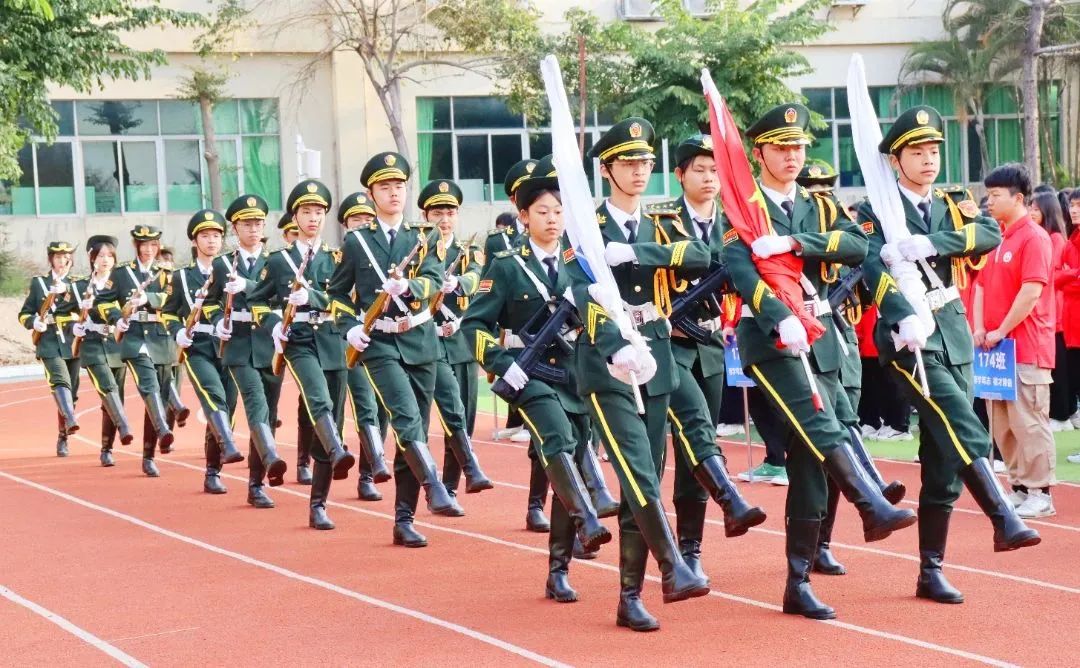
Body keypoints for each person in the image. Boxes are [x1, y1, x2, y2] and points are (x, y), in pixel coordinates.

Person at [724, 102, 916, 620]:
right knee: (819, 423)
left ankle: (799, 582)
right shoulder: (743, 207)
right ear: (759, 153)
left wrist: (794, 242)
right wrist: (775, 315)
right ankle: (870, 503)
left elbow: (857, 246)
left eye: (798, 147)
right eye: (781, 147)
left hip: (822, 337)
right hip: (773, 340)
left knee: (810, 462)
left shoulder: (819, 205)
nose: (792, 156)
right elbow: (740, 268)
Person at [858, 107, 1040, 606]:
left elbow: (988, 234)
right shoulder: (876, 210)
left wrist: (930, 243)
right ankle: (1003, 516)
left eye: (933, 150)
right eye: (917, 152)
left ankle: (930, 570)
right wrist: (901, 313)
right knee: (960, 419)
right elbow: (872, 268)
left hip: (952, 332)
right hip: (909, 340)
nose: (929, 160)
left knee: (941, 455)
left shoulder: (952, 202)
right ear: (895, 160)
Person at [562, 129, 712, 630]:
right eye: (627, 163)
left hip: (657, 357)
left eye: (645, 162)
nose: (639, 171)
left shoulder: (662, 223)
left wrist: (641, 254)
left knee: (641, 480)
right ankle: (673, 566)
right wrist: (615, 343)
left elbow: (700, 257)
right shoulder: (585, 228)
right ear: (606, 170)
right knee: (636, 467)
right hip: (607, 365)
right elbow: (579, 293)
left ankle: (630, 596)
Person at [462, 156, 613, 603]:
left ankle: (558, 569)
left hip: (575, 372)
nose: (552, 219)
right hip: (528, 373)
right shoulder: (507, 265)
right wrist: (498, 360)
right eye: (542, 211)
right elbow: (474, 325)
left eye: (558, 211)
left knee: (575, 449)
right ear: (524, 217)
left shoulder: (579, 263)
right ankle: (588, 516)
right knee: (557, 438)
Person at [651, 134, 767, 577]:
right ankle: (728, 500)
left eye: (715, 169)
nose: (709, 178)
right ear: (680, 175)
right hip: (668, 345)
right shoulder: (660, 222)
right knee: (692, 427)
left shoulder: (737, 223)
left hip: (712, 347)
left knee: (692, 451)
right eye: (699, 169)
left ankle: (691, 550)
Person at [329, 152, 455, 546]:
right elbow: (337, 293)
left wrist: (411, 287)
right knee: (404, 416)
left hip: (420, 338)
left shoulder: (425, 236)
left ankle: (404, 519)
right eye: (385, 187)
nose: (394, 193)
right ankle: (434, 484)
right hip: (380, 343)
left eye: (399, 186)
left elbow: (434, 279)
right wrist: (350, 327)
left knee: (413, 429)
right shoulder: (357, 242)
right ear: (372, 194)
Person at [250, 179, 357, 529]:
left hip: (332, 339)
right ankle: (337, 450)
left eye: (319, 212)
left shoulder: (337, 258)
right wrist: (273, 324)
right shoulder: (279, 261)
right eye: (306, 212)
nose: (313, 218)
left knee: (333, 415)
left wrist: (316, 298)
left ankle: (318, 504)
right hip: (298, 340)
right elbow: (256, 301)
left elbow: (349, 300)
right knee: (316, 396)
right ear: (294, 217)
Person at [975, 164, 1057, 518]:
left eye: (995, 195)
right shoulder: (997, 238)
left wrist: (1002, 329)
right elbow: (980, 286)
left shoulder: (1033, 238)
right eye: (988, 195)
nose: (989, 202)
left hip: (1026, 346)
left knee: (1029, 421)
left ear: (1018, 198)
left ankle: (1041, 491)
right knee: (1004, 424)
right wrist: (979, 327)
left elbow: (1031, 291)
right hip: (996, 351)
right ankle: (1021, 486)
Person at [206, 194, 289, 508]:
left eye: (257, 223)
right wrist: (218, 322)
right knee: (255, 402)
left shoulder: (277, 261)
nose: (253, 229)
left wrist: (248, 286)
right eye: (246, 224)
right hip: (239, 344)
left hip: (269, 342)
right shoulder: (222, 264)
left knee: (270, 411)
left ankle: (257, 483)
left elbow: (282, 299)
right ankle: (270, 458)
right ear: (235, 228)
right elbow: (210, 303)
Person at [418, 179, 493, 514]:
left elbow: (477, 276)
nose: (444, 219)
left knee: (463, 416)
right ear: (426, 216)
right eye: (437, 213)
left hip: (459, 343)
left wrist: (458, 282)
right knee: (427, 417)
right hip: (425, 342)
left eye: (450, 213)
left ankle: (449, 487)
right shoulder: (418, 250)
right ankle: (429, 484)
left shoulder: (467, 251)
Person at [164, 210, 247, 493]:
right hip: (197, 346)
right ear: (194, 240)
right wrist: (178, 331)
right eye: (205, 236)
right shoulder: (182, 276)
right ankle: (227, 446)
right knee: (213, 395)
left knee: (228, 404)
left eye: (216, 236)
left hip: (229, 345)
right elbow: (168, 312)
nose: (211, 241)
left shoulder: (233, 271)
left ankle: (213, 470)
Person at [493, 159, 552, 532]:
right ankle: (538, 505)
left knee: (571, 438)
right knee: (547, 432)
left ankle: (565, 510)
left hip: (568, 356)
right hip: (523, 354)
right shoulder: (502, 248)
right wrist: (498, 360)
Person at [99, 226, 176, 477]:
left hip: (160, 337)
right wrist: (116, 318)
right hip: (133, 337)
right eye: (144, 244)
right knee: (148, 384)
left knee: (161, 394)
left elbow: (172, 299)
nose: (149, 249)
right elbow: (104, 301)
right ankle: (163, 428)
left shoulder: (166, 273)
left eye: (153, 244)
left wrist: (149, 299)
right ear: (136, 245)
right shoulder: (122, 273)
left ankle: (148, 455)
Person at [335, 191, 393, 502]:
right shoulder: (342, 255)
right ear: (345, 225)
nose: (362, 224)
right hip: (353, 339)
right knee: (364, 403)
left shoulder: (385, 252)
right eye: (355, 220)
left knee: (384, 406)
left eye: (367, 219)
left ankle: (368, 471)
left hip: (382, 339)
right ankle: (373, 468)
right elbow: (334, 296)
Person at [71, 236, 134, 466]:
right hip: (91, 344)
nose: (105, 260)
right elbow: (61, 313)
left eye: (110, 256)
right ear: (92, 259)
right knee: (107, 387)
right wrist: (74, 326)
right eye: (100, 256)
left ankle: (107, 448)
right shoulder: (79, 286)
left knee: (115, 397)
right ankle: (124, 426)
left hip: (115, 343)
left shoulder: (122, 285)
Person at [19, 241, 82, 456]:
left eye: (65, 257)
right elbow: (24, 313)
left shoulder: (77, 283)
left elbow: (86, 308)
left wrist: (69, 291)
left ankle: (64, 433)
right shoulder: (39, 283)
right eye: (57, 257)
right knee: (60, 381)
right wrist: (34, 322)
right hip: (48, 341)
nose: (62, 261)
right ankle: (69, 424)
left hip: (71, 340)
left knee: (72, 392)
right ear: (51, 260)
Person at [1030, 191, 1073, 431]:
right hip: (1049, 310)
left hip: (1054, 310)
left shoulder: (1054, 239)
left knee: (1058, 366)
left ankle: (1062, 414)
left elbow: (1053, 274)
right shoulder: (1046, 236)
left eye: (1036, 209)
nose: (1031, 213)